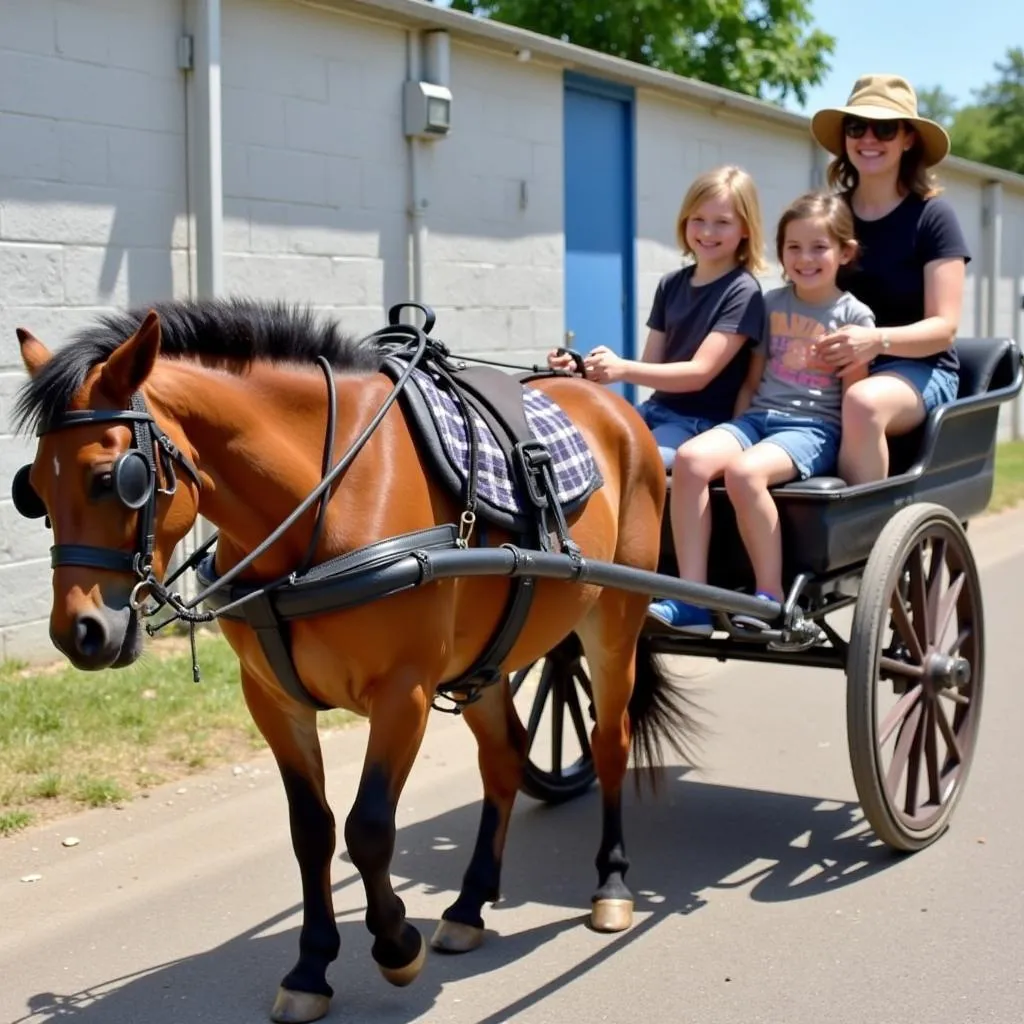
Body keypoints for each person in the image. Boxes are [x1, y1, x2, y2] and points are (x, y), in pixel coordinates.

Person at [648, 191, 875, 636]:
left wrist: (847, 460)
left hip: (812, 428)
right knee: (693, 461)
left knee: (745, 474)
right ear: (780, 251)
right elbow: (752, 380)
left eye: (818, 248)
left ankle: (768, 595)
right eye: (793, 248)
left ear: (843, 253)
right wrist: (736, 427)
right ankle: (692, 597)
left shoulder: (853, 315)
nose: (805, 259)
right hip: (757, 419)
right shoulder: (770, 304)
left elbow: (855, 395)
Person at [548, 165, 767, 468]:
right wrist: (586, 368)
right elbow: (650, 367)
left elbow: (699, 373)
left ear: (746, 228)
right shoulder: (671, 284)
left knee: (621, 463)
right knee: (571, 446)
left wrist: (621, 369)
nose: (706, 231)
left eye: (722, 222)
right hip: (655, 410)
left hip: (700, 425)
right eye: (698, 219)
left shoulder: (743, 292)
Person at [810, 74, 971, 484]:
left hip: (920, 369)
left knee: (862, 403)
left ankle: (863, 542)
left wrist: (874, 340)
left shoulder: (933, 217)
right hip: (840, 365)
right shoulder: (830, 215)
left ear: (908, 139)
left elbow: (944, 329)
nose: (868, 138)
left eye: (884, 128)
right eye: (856, 127)